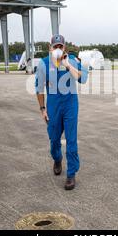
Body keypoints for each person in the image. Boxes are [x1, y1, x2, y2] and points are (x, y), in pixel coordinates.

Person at [35, 35, 88, 190]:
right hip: (53, 107)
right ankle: (57, 159)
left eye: (60, 46)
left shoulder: (73, 60)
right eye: (55, 46)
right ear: (50, 48)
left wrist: (66, 64)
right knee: (54, 140)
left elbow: (82, 78)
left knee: (71, 141)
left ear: (64, 48)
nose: (58, 49)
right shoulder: (44, 63)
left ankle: (71, 174)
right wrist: (42, 109)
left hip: (70, 105)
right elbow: (39, 88)